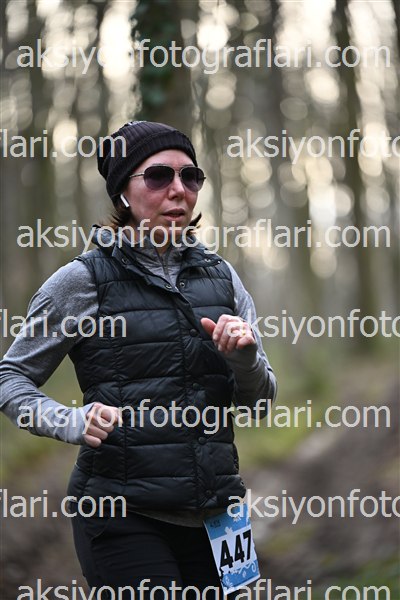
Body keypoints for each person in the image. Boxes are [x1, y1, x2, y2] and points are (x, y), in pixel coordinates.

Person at [0, 121, 277, 598]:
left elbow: (259, 403)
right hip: (121, 512)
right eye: (158, 176)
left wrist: (246, 360)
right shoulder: (81, 281)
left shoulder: (223, 278)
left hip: (220, 513)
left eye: (190, 176)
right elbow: (11, 377)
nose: (178, 189)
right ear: (123, 194)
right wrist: (69, 421)